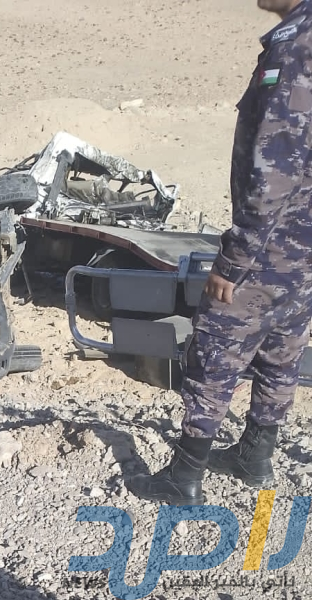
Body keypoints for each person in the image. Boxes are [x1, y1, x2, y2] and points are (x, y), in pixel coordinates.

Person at [127, 0, 312, 505]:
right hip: (303, 247)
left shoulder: (294, 48)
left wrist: (233, 261)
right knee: (281, 351)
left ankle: (184, 476)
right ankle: (255, 457)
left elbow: (274, 171)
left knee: (215, 351)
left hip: (271, 245)